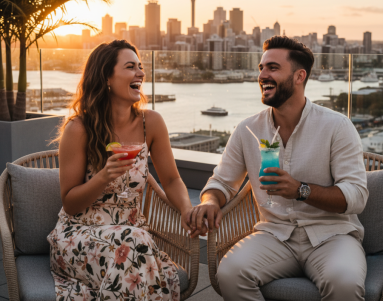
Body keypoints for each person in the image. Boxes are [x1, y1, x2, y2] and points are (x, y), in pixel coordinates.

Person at [189, 36, 369, 301]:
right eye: (261, 68)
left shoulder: (337, 127)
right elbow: (221, 183)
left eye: (272, 68)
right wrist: (210, 201)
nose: (262, 75)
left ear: (299, 76)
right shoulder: (247, 129)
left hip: (332, 236)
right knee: (229, 273)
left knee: (344, 283)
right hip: (274, 236)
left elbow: (356, 196)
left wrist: (301, 190)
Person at [48, 40, 192, 301]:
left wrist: (186, 209)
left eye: (140, 66)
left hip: (131, 236)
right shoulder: (78, 129)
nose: (140, 73)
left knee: (133, 247)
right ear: (107, 78)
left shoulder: (152, 123)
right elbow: (70, 204)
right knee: (137, 248)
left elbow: (171, 180)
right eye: (130, 67)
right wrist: (104, 176)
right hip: (79, 235)